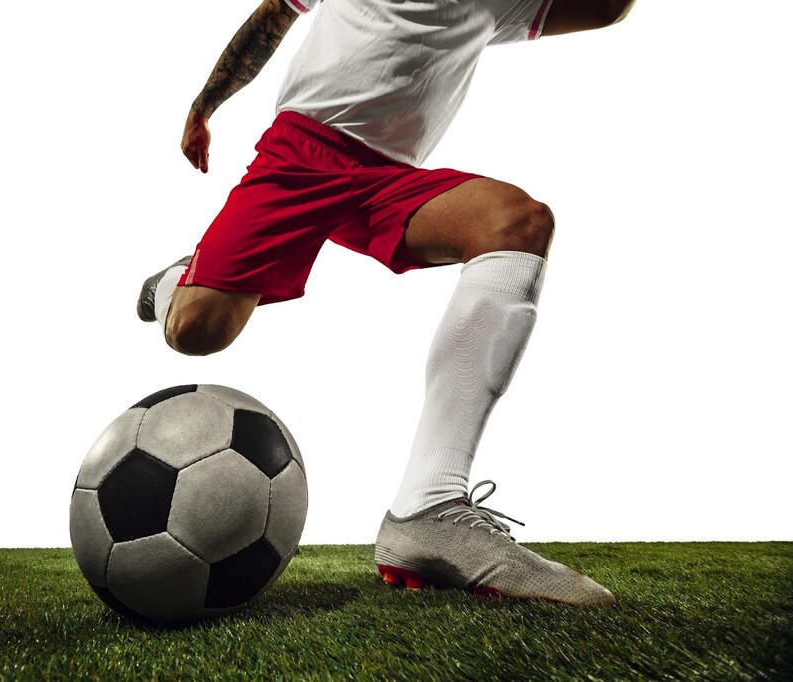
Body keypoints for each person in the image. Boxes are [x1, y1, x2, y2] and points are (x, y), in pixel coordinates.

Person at [138, 0, 636, 607]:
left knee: (517, 224)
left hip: (390, 181)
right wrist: (205, 104)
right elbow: (273, 15)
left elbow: (606, 9)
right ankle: (180, 282)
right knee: (197, 333)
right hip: (300, 157)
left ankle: (428, 507)